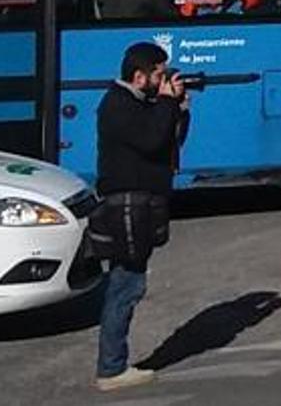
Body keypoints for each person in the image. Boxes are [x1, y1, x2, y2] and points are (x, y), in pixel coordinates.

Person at [89, 42, 189, 392]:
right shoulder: (118, 105)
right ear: (139, 76)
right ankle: (112, 368)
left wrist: (178, 109)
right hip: (128, 205)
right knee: (126, 284)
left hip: (143, 201)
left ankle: (113, 365)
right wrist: (166, 103)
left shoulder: (140, 103)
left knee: (127, 282)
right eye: (159, 75)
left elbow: (167, 145)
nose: (165, 81)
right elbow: (150, 141)